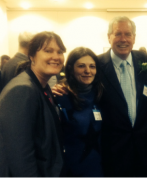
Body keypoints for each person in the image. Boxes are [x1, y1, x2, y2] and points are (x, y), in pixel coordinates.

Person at [0, 31, 66, 177]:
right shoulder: (22, 89)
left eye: (60, 51)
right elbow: (20, 155)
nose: (56, 57)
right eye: (48, 51)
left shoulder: (41, 87)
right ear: (31, 56)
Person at [98, 16, 147, 176]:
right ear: (109, 37)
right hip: (114, 150)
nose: (123, 39)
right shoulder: (97, 65)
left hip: (145, 148)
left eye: (128, 34)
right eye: (118, 34)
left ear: (134, 37)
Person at [54, 47, 104, 176]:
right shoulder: (60, 97)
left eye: (92, 66)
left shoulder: (100, 94)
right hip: (72, 169)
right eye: (81, 66)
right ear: (70, 68)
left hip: (99, 167)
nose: (88, 71)